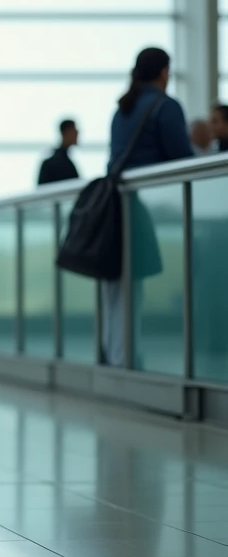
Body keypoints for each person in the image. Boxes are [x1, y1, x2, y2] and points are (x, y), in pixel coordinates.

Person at [100, 48, 193, 367]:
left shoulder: (121, 110)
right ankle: (126, 357)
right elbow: (182, 160)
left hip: (117, 204)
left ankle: (115, 354)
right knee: (131, 284)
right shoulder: (165, 107)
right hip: (143, 205)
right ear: (164, 73)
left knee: (115, 284)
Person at [38, 119, 81, 184]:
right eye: (74, 130)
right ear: (66, 132)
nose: (77, 133)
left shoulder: (64, 160)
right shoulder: (56, 163)